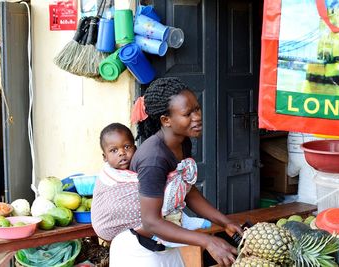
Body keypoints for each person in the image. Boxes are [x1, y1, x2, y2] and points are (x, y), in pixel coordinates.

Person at [108, 77, 243, 267]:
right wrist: (207, 241)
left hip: (163, 243)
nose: (197, 117)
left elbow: (188, 191)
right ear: (166, 120)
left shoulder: (181, 142)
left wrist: (224, 222)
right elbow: (151, 222)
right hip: (138, 251)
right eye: (188, 113)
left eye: (197, 108)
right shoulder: (153, 159)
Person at [91, 122, 211, 247]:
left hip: (138, 234)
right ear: (105, 157)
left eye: (127, 147)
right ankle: (165, 232)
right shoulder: (108, 175)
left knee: (162, 191)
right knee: (155, 194)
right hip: (120, 230)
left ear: (135, 147)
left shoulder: (141, 163)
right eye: (114, 150)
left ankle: (181, 220)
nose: (122, 153)